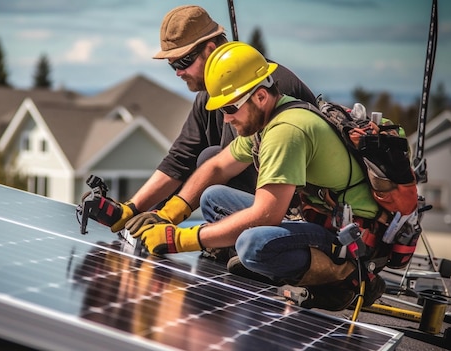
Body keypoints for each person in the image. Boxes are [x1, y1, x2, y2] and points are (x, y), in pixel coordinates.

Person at [124, 41, 386, 311]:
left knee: (253, 245)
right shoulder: (267, 118)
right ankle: (271, 260)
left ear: (260, 96)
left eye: (229, 109)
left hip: (349, 238)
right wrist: (169, 214)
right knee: (213, 197)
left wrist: (179, 239)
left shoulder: (286, 131)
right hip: (321, 220)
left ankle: (344, 278)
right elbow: (217, 167)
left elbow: (266, 215)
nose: (226, 119)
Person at [88, 5, 316, 263]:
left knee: (212, 160)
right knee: (209, 159)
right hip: (256, 212)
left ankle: (243, 249)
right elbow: (180, 159)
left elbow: (267, 202)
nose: (178, 72)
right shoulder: (209, 97)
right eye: (172, 64)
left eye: (184, 62)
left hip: (292, 217)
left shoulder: (265, 90)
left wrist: (183, 237)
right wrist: (135, 209)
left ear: (210, 49)